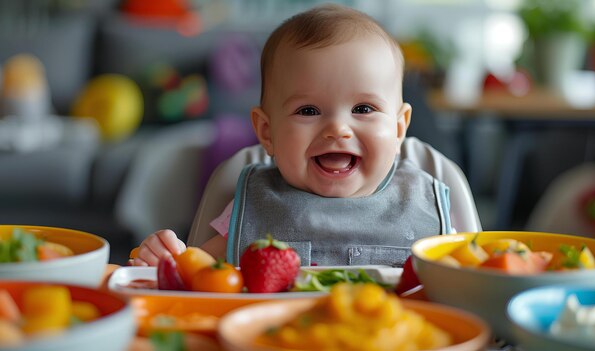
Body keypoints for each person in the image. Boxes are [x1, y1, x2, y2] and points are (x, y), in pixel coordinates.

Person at [132, 3, 453, 267]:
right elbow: (198, 272)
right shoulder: (257, 204)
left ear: (398, 128)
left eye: (364, 109)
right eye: (308, 111)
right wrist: (167, 260)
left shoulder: (424, 205)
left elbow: (465, 280)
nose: (338, 129)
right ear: (267, 133)